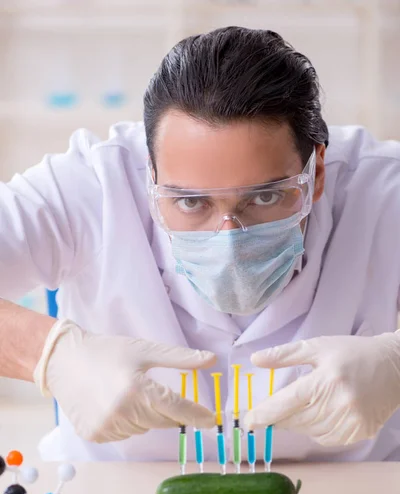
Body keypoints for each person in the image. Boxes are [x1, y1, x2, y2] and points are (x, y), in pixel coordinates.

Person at [1, 26, 400, 463]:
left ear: (316, 172)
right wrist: (51, 355)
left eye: (264, 197)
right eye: (190, 201)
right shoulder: (88, 187)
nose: (227, 239)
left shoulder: (383, 190)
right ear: (149, 175)